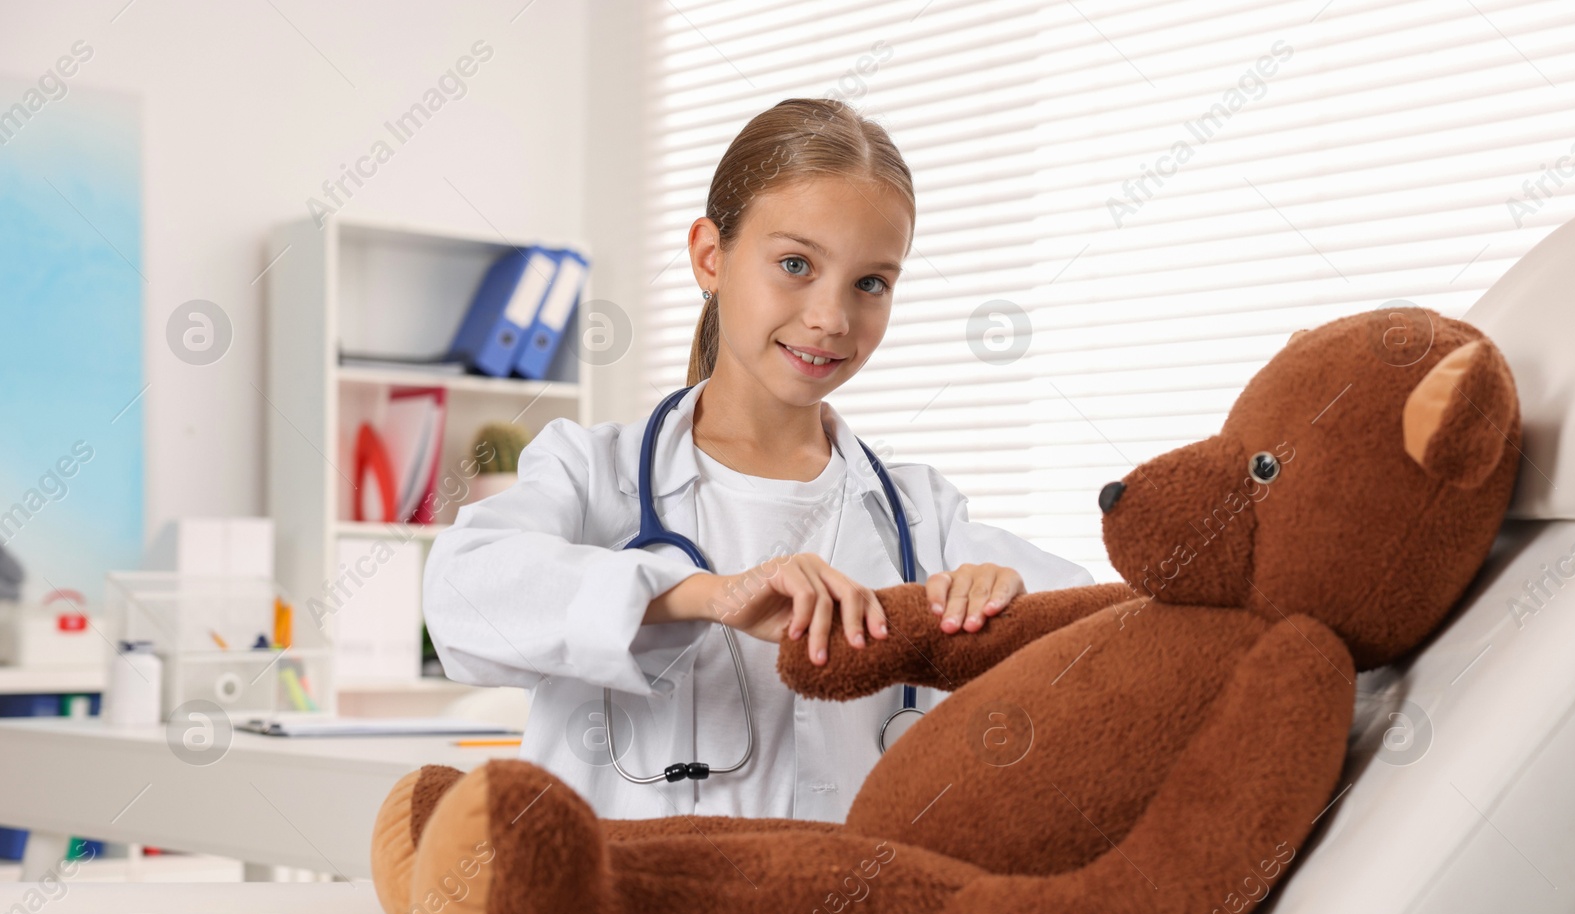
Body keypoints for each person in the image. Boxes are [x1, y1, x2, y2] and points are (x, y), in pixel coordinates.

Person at [422, 97, 1091, 822]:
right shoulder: (594, 473)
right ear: (711, 257)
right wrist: (703, 595)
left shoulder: (920, 516)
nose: (832, 317)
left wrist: (1007, 601)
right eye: (796, 264)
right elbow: (459, 597)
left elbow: (1105, 640)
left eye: (871, 282)